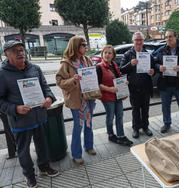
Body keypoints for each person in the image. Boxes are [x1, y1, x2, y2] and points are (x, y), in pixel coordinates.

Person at [0, 40, 59, 188]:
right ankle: (29, 176)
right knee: (23, 150)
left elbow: (46, 88)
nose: (20, 52)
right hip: (20, 120)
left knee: (42, 144)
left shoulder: (35, 68)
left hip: (39, 115)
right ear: (6, 54)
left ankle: (44, 167)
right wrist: (15, 109)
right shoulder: (2, 74)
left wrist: (49, 98)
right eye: (15, 51)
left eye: (21, 49)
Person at [56, 36, 96, 165]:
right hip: (76, 100)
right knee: (78, 127)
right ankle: (76, 154)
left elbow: (92, 75)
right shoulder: (66, 63)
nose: (86, 47)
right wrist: (73, 79)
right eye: (83, 45)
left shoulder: (87, 59)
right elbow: (59, 81)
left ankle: (89, 146)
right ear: (76, 46)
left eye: (85, 45)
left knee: (89, 123)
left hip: (89, 97)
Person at [155, 29, 179, 133]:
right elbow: (155, 62)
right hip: (165, 83)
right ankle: (166, 123)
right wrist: (159, 67)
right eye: (166, 37)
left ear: (176, 37)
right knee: (165, 106)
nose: (168, 39)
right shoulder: (161, 50)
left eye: (170, 36)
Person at [96, 45, 133, 146]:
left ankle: (121, 135)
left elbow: (119, 78)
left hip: (117, 95)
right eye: (105, 53)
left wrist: (124, 83)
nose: (107, 55)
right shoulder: (99, 67)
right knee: (110, 116)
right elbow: (98, 85)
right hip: (107, 97)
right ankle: (111, 134)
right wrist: (110, 89)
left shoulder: (114, 65)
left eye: (110, 53)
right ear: (102, 54)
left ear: (113, 55)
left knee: (120, 115)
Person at [120, 32, 155, 139]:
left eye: (140, 40)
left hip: (146, 86)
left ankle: (145, 127)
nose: (139, 42)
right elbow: (121, 70)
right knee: (135, 110)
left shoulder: (148, 54)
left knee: (145, 109)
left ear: (143, 41)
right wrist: (130, 64)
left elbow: (154, 68)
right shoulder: (127, 54)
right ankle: (136, 128)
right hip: (134, 88)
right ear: (133, 41)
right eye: (136, 40)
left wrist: (153, 72)